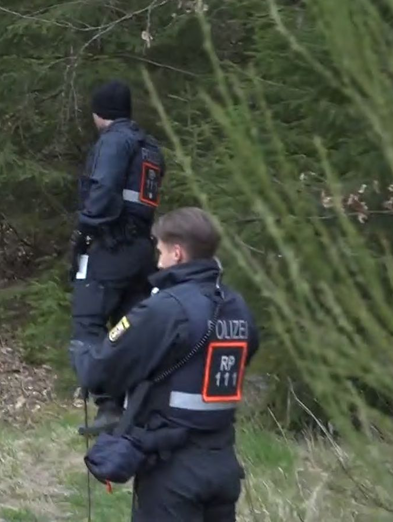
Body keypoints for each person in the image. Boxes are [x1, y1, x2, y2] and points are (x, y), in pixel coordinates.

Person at [69, 207, 259, 522]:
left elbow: (101, 371)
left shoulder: (166, 309)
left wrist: (83, 346)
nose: (157, 262)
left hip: (172, 471)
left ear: (177, 253)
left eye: (160, 252)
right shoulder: (236, 306)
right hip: (223, 464)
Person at [69, 79, 165, 435]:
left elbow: (103, 191)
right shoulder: (149, 147)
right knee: (129, 327)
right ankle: (138, 407)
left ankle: (107, 405)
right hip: (142, 250)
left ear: (100, 113)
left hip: (111, 246)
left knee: (88, 323)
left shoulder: (113, 142)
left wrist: (85, 232)